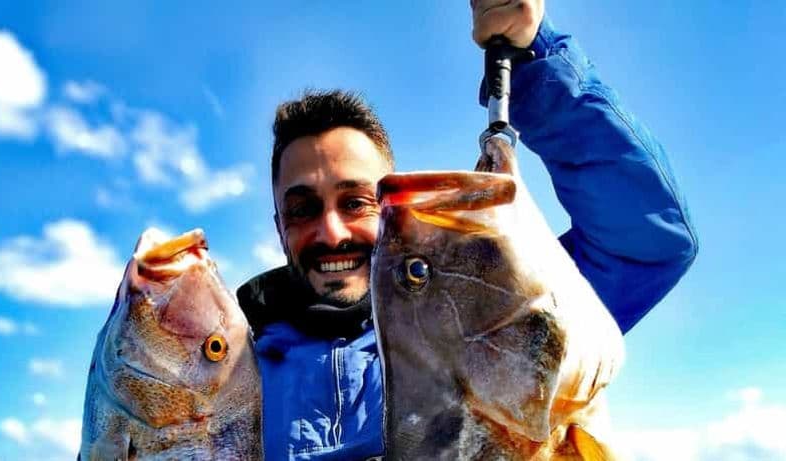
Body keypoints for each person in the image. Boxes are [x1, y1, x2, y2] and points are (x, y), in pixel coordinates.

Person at [236, 1, 699, 460]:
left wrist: (531, 52)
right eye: (302, 209)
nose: (331, 232)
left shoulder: (493, 311)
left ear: (391, 212)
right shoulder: (226, 382)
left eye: (356, 202)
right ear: (279, 228)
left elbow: (647, 241)